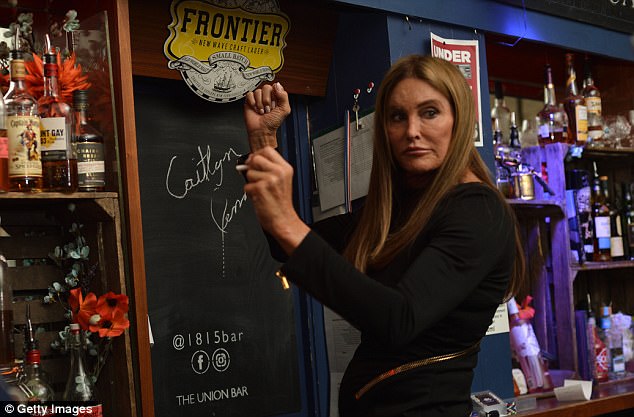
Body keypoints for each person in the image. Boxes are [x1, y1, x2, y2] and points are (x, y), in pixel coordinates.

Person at [240, 55, 525, 417]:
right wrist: (263, 140)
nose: (412, 131)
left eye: (430, 112)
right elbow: (285, 244)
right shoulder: (398, 211)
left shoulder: (477, 210)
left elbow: (398, 319)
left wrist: (286, 222)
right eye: (397, 117)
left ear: (460, 118)